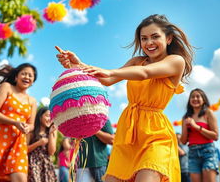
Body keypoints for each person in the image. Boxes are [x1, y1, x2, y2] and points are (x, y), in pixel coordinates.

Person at [56, 14, 194, 182]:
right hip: (127, 131)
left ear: (169, 38)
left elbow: (145, 73)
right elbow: (107, 80)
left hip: (155, 133)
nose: (149, 42)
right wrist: (78, 65)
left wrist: (111, 71)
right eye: (144, 38)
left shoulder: (175, 61)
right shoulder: (137, 61)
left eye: (155, 36)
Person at [181, 88, 219, 182]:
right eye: (192, 97)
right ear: (189, 100)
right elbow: (183, 141)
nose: (195, 98)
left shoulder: (208, 113)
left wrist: (196, 126)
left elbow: (215, 136)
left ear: (204, 99)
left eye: (198, 96)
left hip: (208, 152)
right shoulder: (186, 117)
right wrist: (186, 126)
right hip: (192, 153)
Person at [27, 106, 57, 182]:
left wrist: (50, 134)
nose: (49, 119)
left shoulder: (52, 132)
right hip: (33, 165)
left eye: (51, 117)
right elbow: (24, 150)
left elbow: (52, 152)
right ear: (40, 117)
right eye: (47, 116)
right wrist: (38, 143)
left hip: (46, 165)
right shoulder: (31, 132)